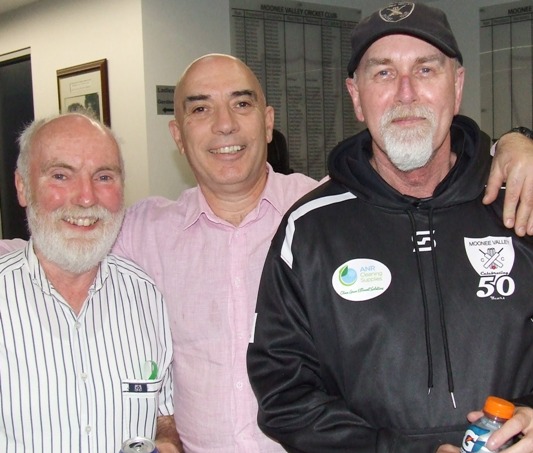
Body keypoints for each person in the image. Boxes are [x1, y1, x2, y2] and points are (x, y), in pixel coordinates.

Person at [1, 55, 533, 453]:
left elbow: (424, 187)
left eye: (242, 103)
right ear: (178, 136)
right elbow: (65, 231)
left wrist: (513, 143)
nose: (225, 125)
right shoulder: (141, 231)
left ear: (268, 119)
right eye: (200, 109)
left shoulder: (329, 216)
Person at [246, 3, 533, 453]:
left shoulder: (520, 203)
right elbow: (285, 395)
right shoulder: (309, 232)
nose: (405, 93)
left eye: (425, 69)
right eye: (382, 73)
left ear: (456, 87)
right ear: (355, 96)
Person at [0, 112, 182, 453]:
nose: (86, 197)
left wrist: (168, 444)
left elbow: (163, 413)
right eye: (60, 175)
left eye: (103, 176)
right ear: (22, 187)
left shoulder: (147, 296)